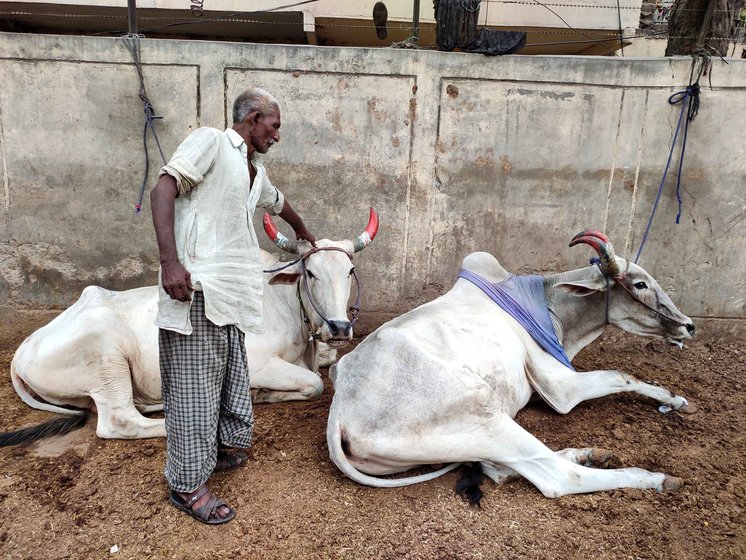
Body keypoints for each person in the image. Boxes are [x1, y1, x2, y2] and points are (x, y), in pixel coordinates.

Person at [150, 87, 316, 525]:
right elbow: (162, 190)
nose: (277, 136)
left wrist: (305, 233)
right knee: (193, 389)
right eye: (275, 126)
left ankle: (221, 449)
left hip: (233, 298)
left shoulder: (254, 170)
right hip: (197, 289)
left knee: (229, 378)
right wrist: (171, 263)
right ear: (254, 117)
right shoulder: (212, 142)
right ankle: (187, 485)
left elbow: (279, 203)